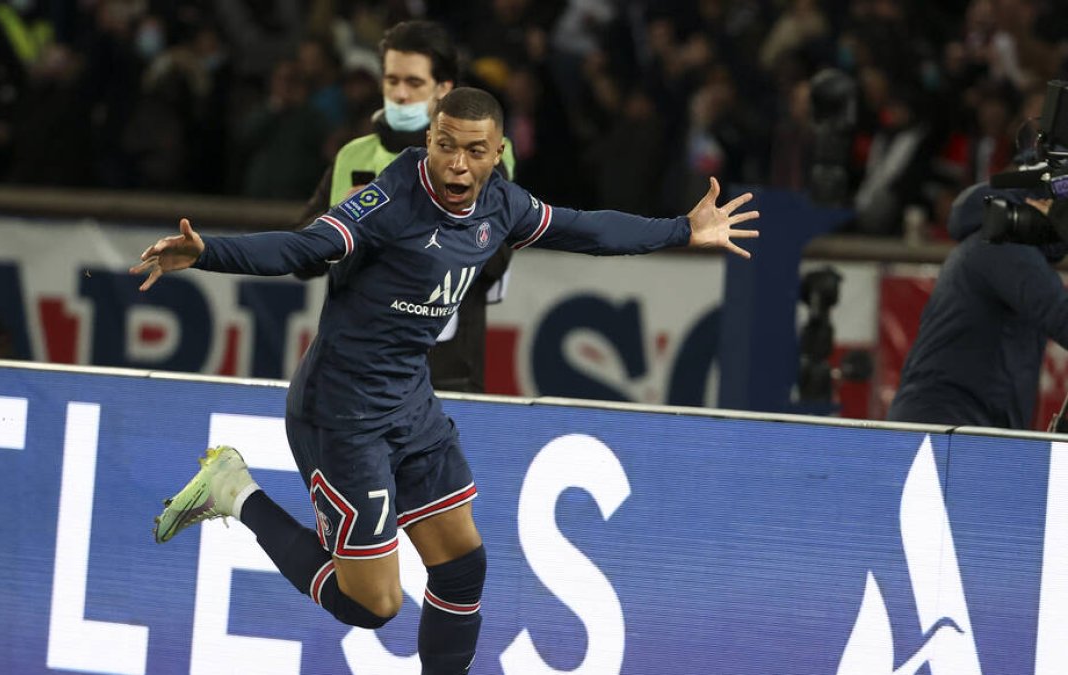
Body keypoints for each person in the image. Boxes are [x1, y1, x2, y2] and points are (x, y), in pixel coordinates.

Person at [132, 87, 759, 674]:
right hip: (343, 415)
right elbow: (304, 249)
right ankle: (235, 489)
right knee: (373, 605)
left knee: (462, 566)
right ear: (429, 140)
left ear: (498, 154)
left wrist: (684, 229)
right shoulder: (389, 202)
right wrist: (208, 252)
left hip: (409, 401)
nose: (457, 165)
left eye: (475, 151)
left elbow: (586, 228)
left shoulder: (502, 204)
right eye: (445, 146)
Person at [296, 20, 517, 393]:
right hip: (355, 369)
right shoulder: (353, 154)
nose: (399, 94)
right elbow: (302, 259)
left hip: (445, 374)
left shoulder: (484, 152)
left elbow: (495, 259)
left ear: (443, 89)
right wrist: (338, 225)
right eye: (391, 80)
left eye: (414, 83)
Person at [888, 181, 1068, 429]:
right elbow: (1061, 315)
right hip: (951, 426)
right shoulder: (1003, 245)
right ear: (1028, 203)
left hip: (952, 424)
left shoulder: (990, 245)